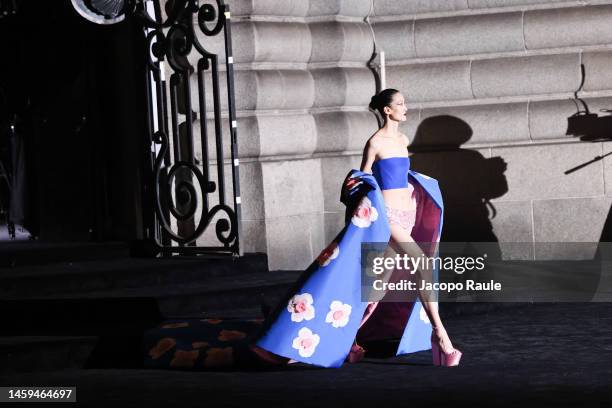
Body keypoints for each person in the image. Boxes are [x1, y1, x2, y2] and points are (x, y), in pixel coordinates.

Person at [143, 89, 461, 370]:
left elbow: (401, 175)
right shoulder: (375, 142)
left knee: (375, 286)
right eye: (401, 104)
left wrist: (420, 190)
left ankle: (348, 340)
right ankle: (442, 338)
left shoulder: (402, 140)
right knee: (421, 263)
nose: (406, 108)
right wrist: (366, 208)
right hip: (388, 216)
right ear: (387, 110)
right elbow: (362, 180)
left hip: (407, 212)